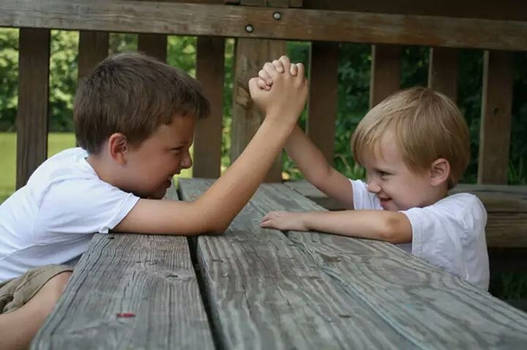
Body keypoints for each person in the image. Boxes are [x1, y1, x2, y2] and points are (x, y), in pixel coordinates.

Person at [0, 53, 307, 349]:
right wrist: (279, 119)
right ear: (120, 148)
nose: (186, 162)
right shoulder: (72, 193)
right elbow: (207, 216)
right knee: (64, 297)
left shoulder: (89, 166)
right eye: (176, 150)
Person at [257, 61, 489, 290]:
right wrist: (279, 116)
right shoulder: (384, 201)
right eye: (368, 172)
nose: (371, 186)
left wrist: (305, 219)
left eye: (384, 174)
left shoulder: (462, 212)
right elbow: (322, 174)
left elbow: (390, 227)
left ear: (436, 172)